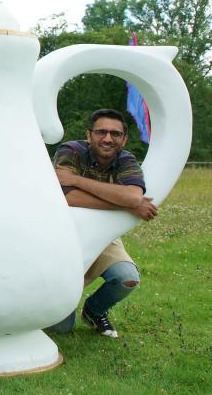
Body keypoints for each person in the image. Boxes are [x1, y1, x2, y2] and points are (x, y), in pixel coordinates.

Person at [48, 108, 157, 338]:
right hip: (61, 235)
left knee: (127, 278)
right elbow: (67, 198)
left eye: (115, 134)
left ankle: (94, 311)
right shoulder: (71, 151)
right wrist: (126, 204)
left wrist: (76, 180)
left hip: (103, 234)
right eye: (101, 132)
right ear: (89, 135)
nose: (108, 139)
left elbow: (133, 197)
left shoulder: (126, 159)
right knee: (61, 328)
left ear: (124, 139)